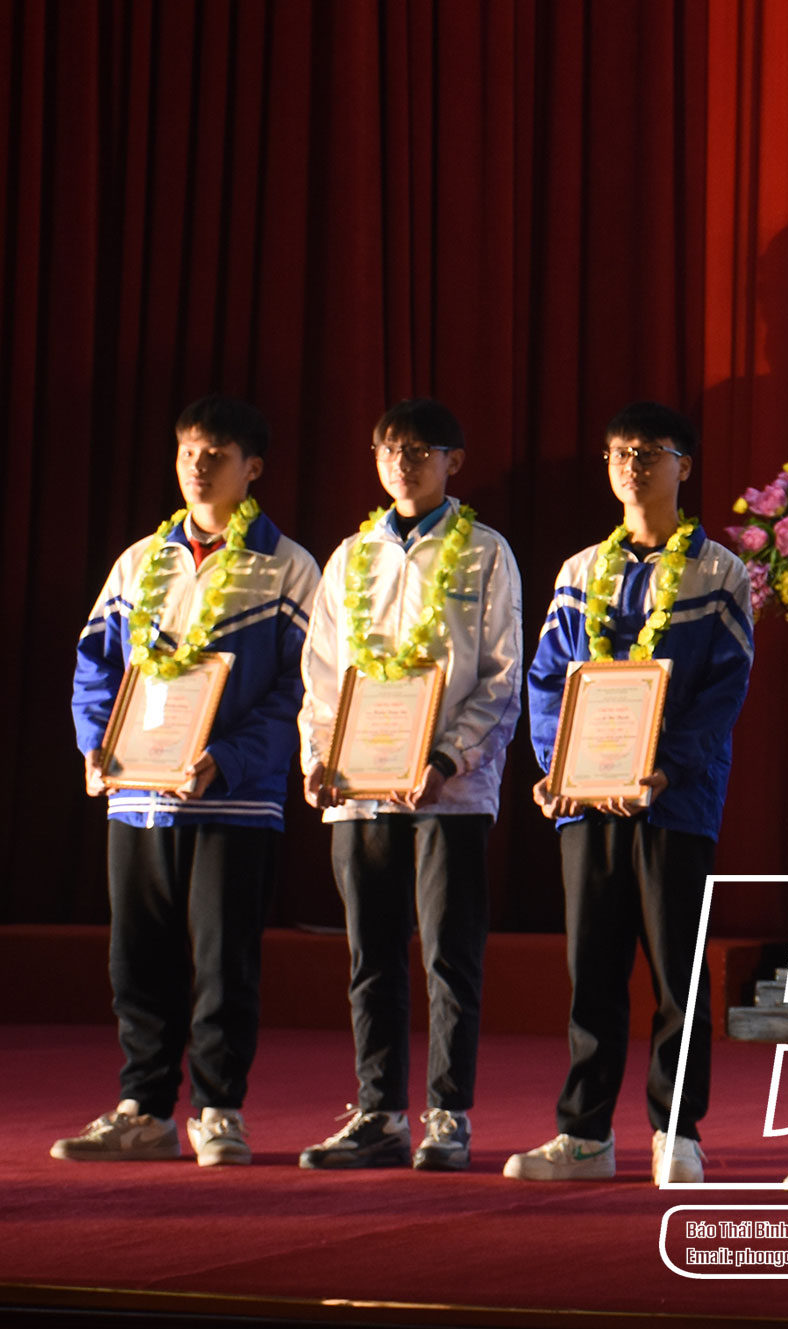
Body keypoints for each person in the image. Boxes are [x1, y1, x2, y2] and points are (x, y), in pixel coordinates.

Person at [55, 396, 320, 1168]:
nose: (198, 467)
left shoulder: (289, 566)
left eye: (216, 454)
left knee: (224, 960)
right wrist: (97, 744)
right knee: (138, 957)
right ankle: (143, 1107)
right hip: (138, 795)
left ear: (253, 467)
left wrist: (229, 757)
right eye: (188, 452)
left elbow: (302, 689)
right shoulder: (140, 562)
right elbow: (96, 665)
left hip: (236, 798)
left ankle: (219, 1108)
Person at [500, 401, 756, 1188]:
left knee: (679, 972)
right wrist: (560, 764)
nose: (632, 466)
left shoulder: (720, 572)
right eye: (619, 452)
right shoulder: (580, 572)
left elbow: (724, 690)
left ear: (685, 465)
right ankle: (583, 1132)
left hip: (675, 799)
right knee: (593, 970)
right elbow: (547, 679)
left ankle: (677, 1130)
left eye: (649, 452)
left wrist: (666, 766)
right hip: (586, 799)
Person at [292, 398, 525, 1172]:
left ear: (455, 460)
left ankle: (448, 1115)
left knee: (449, 956)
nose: (403, 462)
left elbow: (501, 677)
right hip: (360, 787)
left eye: (421, 450)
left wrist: (448, 760)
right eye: (389, 449)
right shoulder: (350, 556)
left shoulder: (485, 552)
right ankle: (379, 1111)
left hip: (447, 792)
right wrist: (318, 756)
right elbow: (322, 676)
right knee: (371, 955)